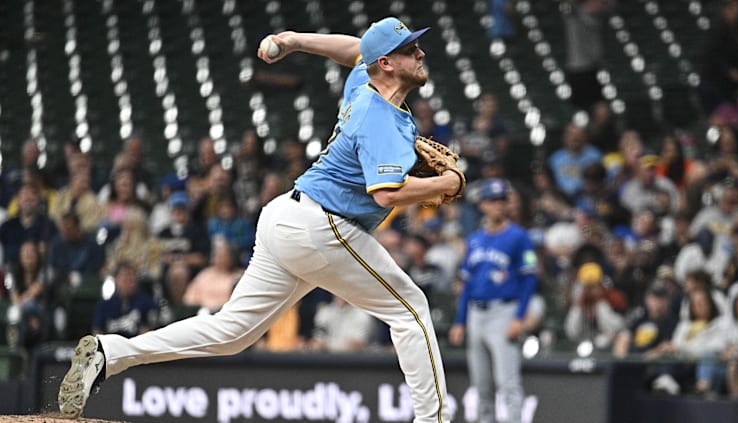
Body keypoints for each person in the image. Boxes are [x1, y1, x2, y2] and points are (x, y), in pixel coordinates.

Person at [58, 18, 462, 422]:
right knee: (411, 309)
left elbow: (356, 49)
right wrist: (445, 182)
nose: (421, 53)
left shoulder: (365, 82)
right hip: (322, 225)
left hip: (286, 215)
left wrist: (295, 40)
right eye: (411, 49)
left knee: (230, 334)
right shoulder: (381, 118)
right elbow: (388, 193)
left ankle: (111, 352)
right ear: (388, 63)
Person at [448, 178, 537, 423]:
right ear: (483, 205)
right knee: (481, 386)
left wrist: (519, 317)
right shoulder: (474, 240)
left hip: (503, 313)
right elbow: (466, 284)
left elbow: (529, 279)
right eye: (493, 201)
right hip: (476, 314)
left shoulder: (519, 237)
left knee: (508, 383)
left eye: (502, 200)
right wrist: (460, 321)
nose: (499, 205)